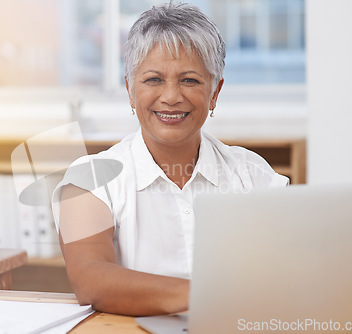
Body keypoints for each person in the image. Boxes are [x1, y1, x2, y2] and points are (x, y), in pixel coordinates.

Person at [51, 2, 289, 316]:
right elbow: (91, 280)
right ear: (130, 89)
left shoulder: (254, 176)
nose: (172, 96)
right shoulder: (87, 181)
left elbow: (287, 274)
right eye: (153, 80)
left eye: (189, 80)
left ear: (214, 93)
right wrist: (212, 294)